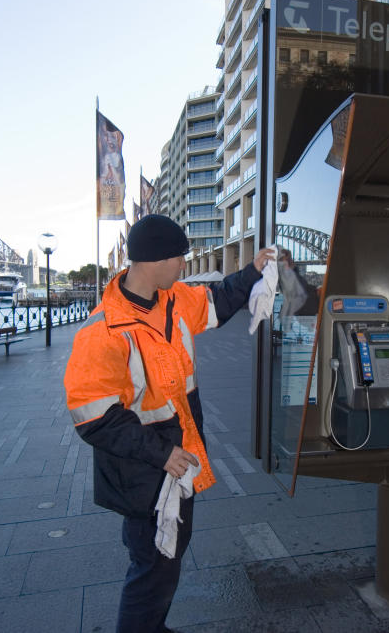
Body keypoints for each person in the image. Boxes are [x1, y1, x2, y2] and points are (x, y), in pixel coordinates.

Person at [63, 215, 273, 633]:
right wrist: (162, 453)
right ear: (155, 260)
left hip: (176, 459)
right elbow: (93, 416)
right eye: (180, 256)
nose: (183, 263)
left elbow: (219, 300)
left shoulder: (175, 300)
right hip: (146, 469)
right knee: (152, 563)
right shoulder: (103, 330)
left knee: (166, 555)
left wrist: (253, 271)